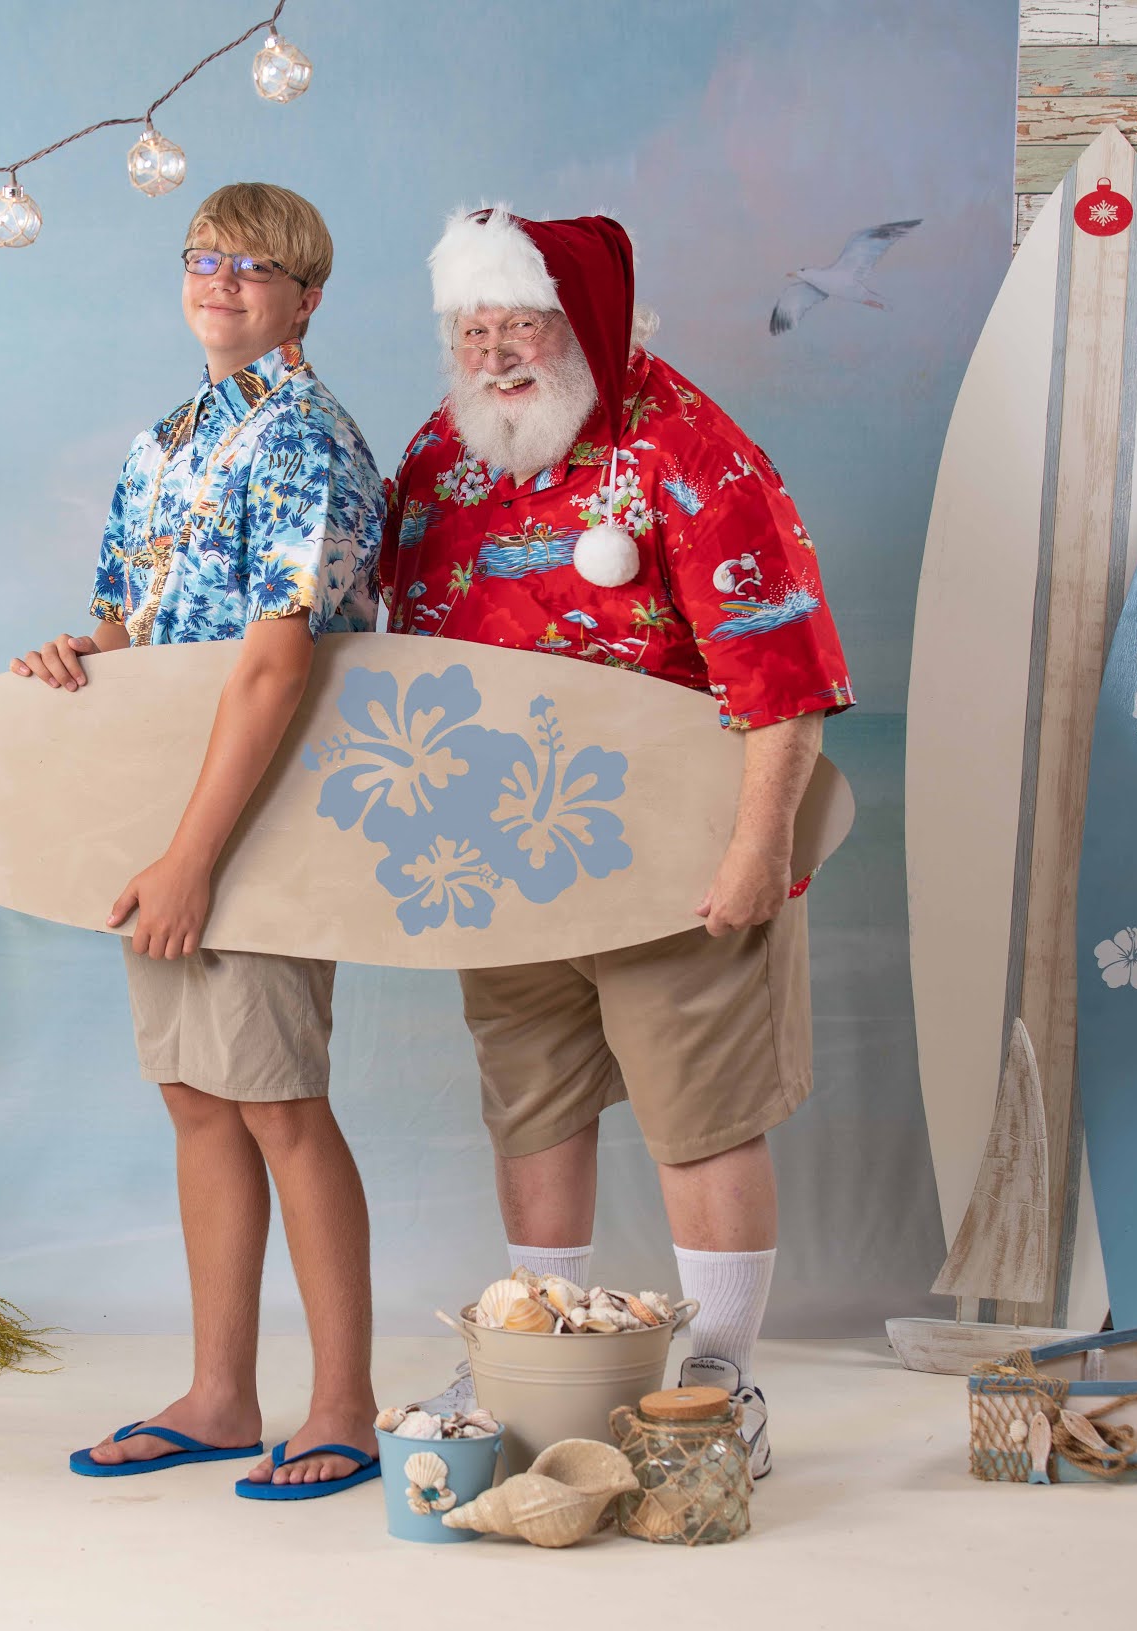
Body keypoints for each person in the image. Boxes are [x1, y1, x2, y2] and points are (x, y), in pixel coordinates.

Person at [386, 207, 855, 1477]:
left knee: (700, 1112)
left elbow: (784, 668)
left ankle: (718, 1383)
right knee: (531, 1104)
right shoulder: (440, 456)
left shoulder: (689, 448)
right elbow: (384, 648)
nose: (493, 353)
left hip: (678, 851)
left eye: (518, 325)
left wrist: (756, 849)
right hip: (501, 856)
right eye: (470, 329)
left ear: (583, 324)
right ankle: (536, 1360)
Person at [12, 182, 386, 1498]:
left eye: (253, 266)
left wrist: (194, 860)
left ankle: (345, 1404)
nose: (220, 280)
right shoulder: (161, 444)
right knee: (196, 1094)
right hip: (161, 804)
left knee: (278, 1096)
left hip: (259, 808)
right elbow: (137, 623)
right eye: (203, 257)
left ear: (306, 298)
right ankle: (222, 1393)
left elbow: (279, 665)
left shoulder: (304, 442)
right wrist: (83, 649)